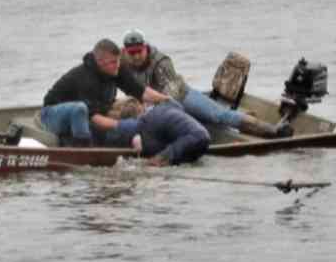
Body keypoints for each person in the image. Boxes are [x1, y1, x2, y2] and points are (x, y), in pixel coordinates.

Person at [119, 29, 291, 139]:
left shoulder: (160, 62)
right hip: (156, 106)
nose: (136, 56)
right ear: (125, 51)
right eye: (131, 52)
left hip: (181, 97)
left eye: (139, 51)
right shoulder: (122, 62)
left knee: (220, 116)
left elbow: (170, 96)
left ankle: (272, 130)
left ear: (145, 48)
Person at [41, 38, 171, 147]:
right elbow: (94, 117)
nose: (118, 65)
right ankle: (82, 149)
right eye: (114, 62)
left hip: (92, 113)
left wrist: (166, 100)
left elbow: (141, 92)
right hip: (52, 114)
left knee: (132, 109)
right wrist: (124, 125)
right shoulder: (84, 78)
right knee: (79, 110)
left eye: (119, 60)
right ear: (100, 62)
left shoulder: (116, 68)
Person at [114, 99, 210, 166]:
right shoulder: (166, 107)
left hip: (189, 139)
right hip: (204, 138)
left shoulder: (146, 123)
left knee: (152, 163)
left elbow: (148, 149)